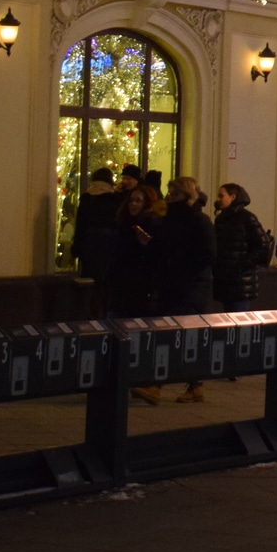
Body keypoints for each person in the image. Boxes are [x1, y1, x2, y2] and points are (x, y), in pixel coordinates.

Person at [152, 178, 216, 402]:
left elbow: (207, 253)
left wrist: (184, 270)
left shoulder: (199, 221)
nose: (171, 198)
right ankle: (195, 385)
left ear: (188, 197)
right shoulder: (169, 220)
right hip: (171, 284)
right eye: (170, 193)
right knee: (180, 335)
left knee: (174, 335)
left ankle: (156, 384)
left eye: (176, 194)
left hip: (191, 287)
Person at [210, 183, 269, 311]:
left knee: (238, 319)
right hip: (226, 280)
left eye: (221, 196)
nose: (218, 199)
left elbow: (262, 245)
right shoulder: (221, 219)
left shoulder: (246, 218)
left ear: (233, 197)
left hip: (241, 281)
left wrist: (241, 265)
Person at [72, 168, 122, 311]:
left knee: (89, 282)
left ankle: (89, 311)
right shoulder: (115, 199)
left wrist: (77, 248)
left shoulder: (87, 198)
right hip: (109, 245)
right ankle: (102, 311)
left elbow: (80, 225)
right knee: (104, 283)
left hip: (89, 245)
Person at [112, 183, 164, 319]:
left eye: (138, 201)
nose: (133, 204)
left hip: (141, 286)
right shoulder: (124, 223)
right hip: (123, 284)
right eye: (131, 200)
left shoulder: (151, 224)